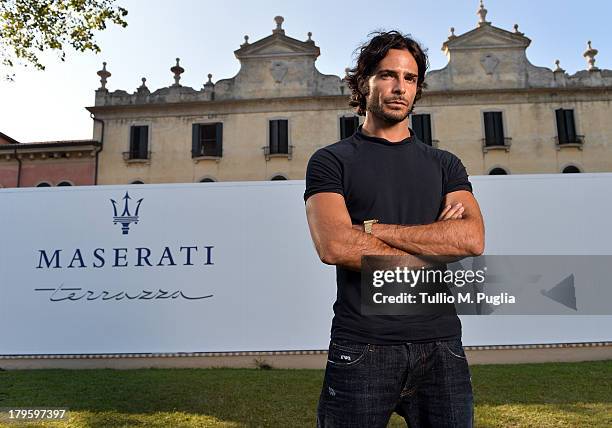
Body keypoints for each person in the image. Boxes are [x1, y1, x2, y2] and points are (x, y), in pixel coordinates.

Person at [303, 30, 485, 427]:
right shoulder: (331, 161)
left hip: (441, 346)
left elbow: (471, 239)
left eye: (410, 78)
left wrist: (370, 229)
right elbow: (334, 245)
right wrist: (435, 247)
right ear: (363, 80)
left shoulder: (445, 165)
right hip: (363, 346)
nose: (400, 87)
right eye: (388, 75)